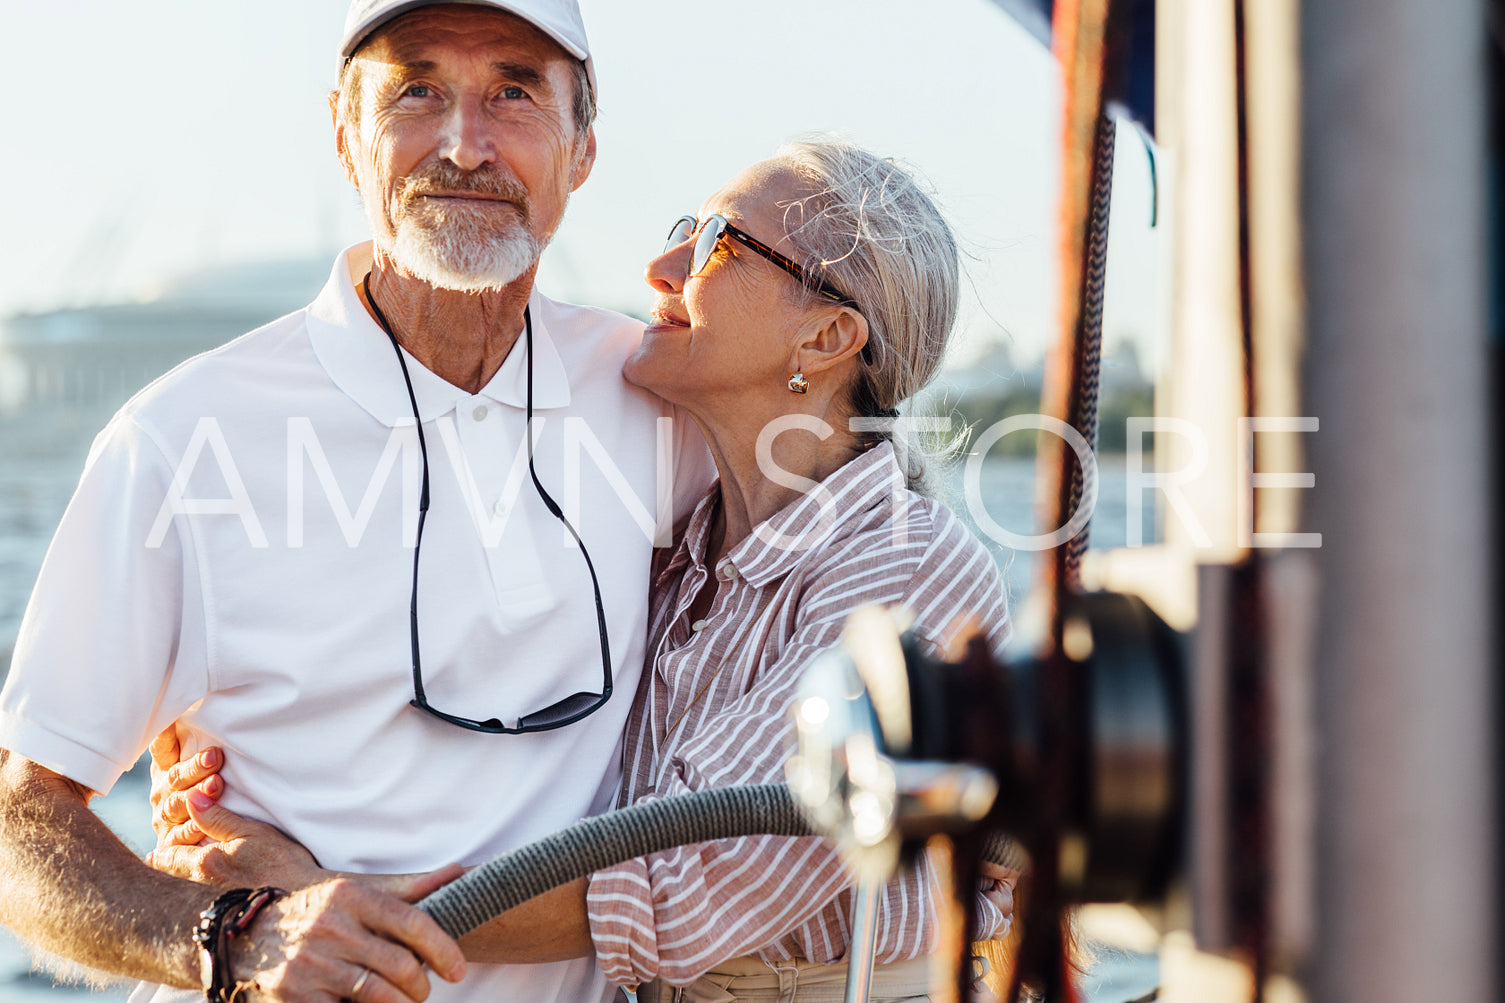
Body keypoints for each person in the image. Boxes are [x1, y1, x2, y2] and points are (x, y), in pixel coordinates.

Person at [151, 138, 1019, 1001]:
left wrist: (301, 894)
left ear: (826, 334)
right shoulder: (678, 547)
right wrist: (240, 758)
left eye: (718, 240)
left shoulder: (912, 572)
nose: (662, 264)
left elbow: (678, 888)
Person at [0, 2, 712, 1002]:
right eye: (415, 90)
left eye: (513, 92)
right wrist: (226, 934)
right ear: (344, 132)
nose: (465, 146)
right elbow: (20, 816)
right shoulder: (180, 436)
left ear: (581, 148)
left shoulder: (663, 404)